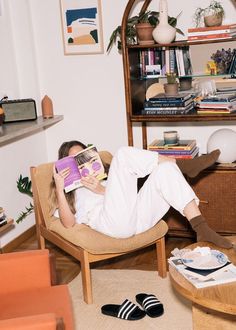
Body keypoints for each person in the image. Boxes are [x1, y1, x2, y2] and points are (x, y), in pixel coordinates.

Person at [50, 140, 233, 249]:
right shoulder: (72, 194)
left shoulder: (107, 179)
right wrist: (59, 187)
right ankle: (185, 166)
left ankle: (201, 229)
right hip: (114, 226)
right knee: (122, 154)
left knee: (165, 170)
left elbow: (125, 200)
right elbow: (68, 223)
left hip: (137, 219)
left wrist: (100, 189)